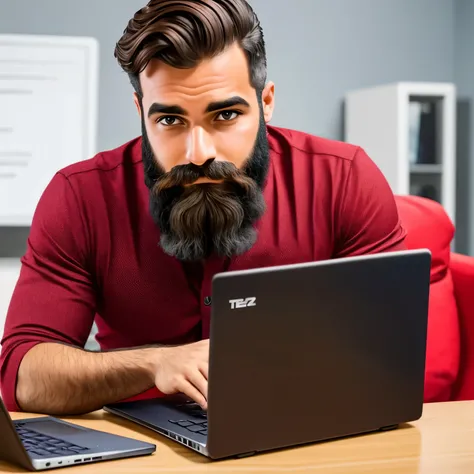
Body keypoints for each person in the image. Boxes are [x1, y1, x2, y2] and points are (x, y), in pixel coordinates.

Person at [0, 0, 406, 416]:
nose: (198, 154)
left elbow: (395, 354)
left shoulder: (344, 179)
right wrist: (154, 363)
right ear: (141, 113)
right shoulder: (79, 197)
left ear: (266, 102)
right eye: (170, 121)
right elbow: (22, 375)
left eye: (225, 114)